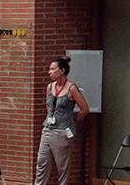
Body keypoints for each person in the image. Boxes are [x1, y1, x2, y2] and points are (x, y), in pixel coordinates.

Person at [33, 57, 90, 185]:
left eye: (52, 69)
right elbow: (49, 106)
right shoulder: (50, 87)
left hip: (62, 130)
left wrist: (73, 120)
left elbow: (85, 109)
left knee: (62, 166)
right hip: (48, 129)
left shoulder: (71, 88)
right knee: (41, 163)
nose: (49, 72)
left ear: (62, 71)